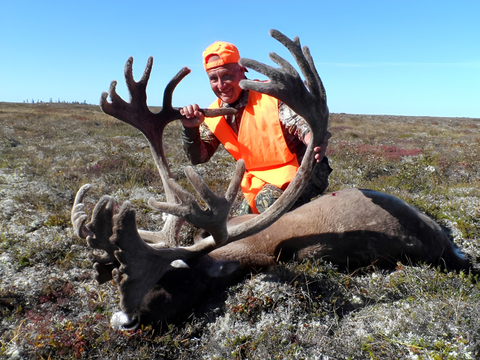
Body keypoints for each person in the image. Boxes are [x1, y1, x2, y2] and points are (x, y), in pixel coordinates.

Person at [180, 41, 332, 215]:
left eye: (227, 75)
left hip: (305, 171)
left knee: (266, 203)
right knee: (243, 218)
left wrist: (311, 137)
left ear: (242, 71)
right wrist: (190, 129)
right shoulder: (214, 113)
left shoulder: (271, 95)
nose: (221, 85)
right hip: (261, 180)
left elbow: (298, 123)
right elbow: (199, 157)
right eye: (214, 79)